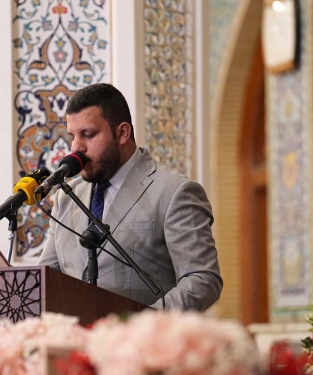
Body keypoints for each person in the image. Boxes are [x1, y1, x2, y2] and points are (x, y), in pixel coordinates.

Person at [37, 83, 222, 311]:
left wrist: (139, 324)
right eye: (72, 136)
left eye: (88, 134)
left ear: (122, 133)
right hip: (75, 334)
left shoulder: (175, 191)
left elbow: (202, 280)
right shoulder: (66, 197)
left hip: (142, 334)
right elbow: (47, 278)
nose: (76, 147)